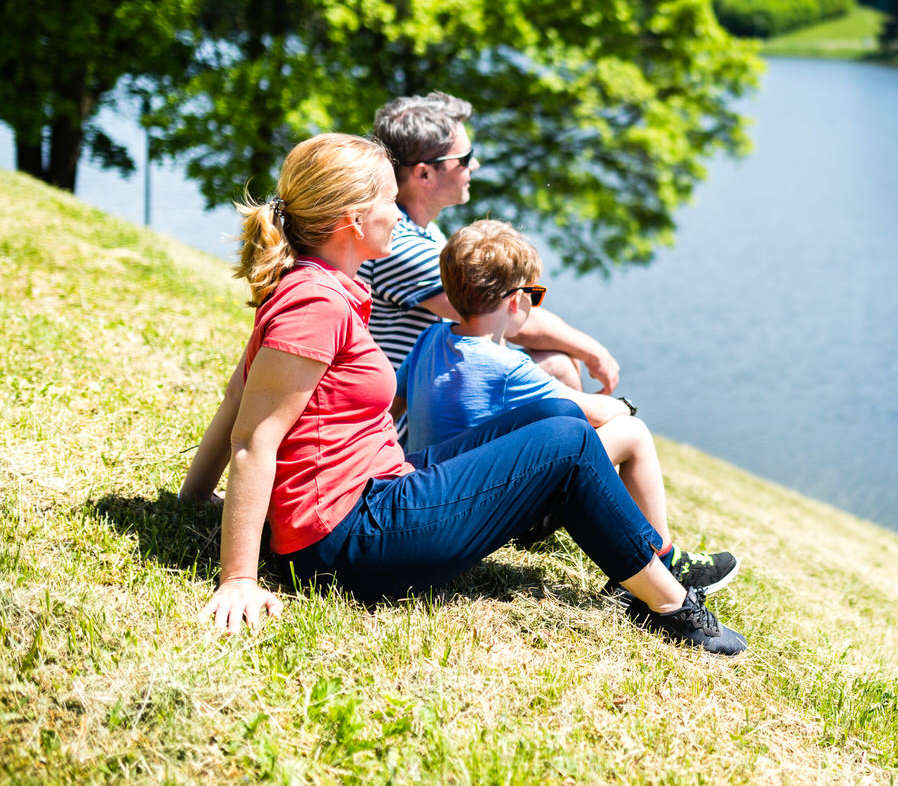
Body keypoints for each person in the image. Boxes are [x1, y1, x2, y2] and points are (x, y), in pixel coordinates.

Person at [178, 133, 744, 654]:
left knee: (551, 412)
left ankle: (652, 561)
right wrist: (238, 579)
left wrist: (193, 499)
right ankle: (671, 605)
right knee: (569, 443)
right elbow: (253, 437)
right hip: (349, 544)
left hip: (376, 492)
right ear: (352, 220)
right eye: (388, 199)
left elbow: (236, 395)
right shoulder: (315, 302)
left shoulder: (324, 287)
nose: (398, 212)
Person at [394, 220, 739, 594]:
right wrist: (624, 406)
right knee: (633, 434)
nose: (534, 302)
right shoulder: (507, 368)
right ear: (515, 302)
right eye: (534, 294)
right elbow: (597, 413)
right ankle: (664, 559)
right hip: (480, 511)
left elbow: (396, 406)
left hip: (434, 492)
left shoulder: (430, 338)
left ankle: (639, 551)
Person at [358, 92, 616, 397]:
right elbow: (505, 315)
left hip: (427, 392)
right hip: (408, 415)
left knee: (554, 362)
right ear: (424, 173)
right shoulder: (400, 244)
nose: (476, 165)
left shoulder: (423, 231)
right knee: (557, 366)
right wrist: (593, 351)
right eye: (465, 159)